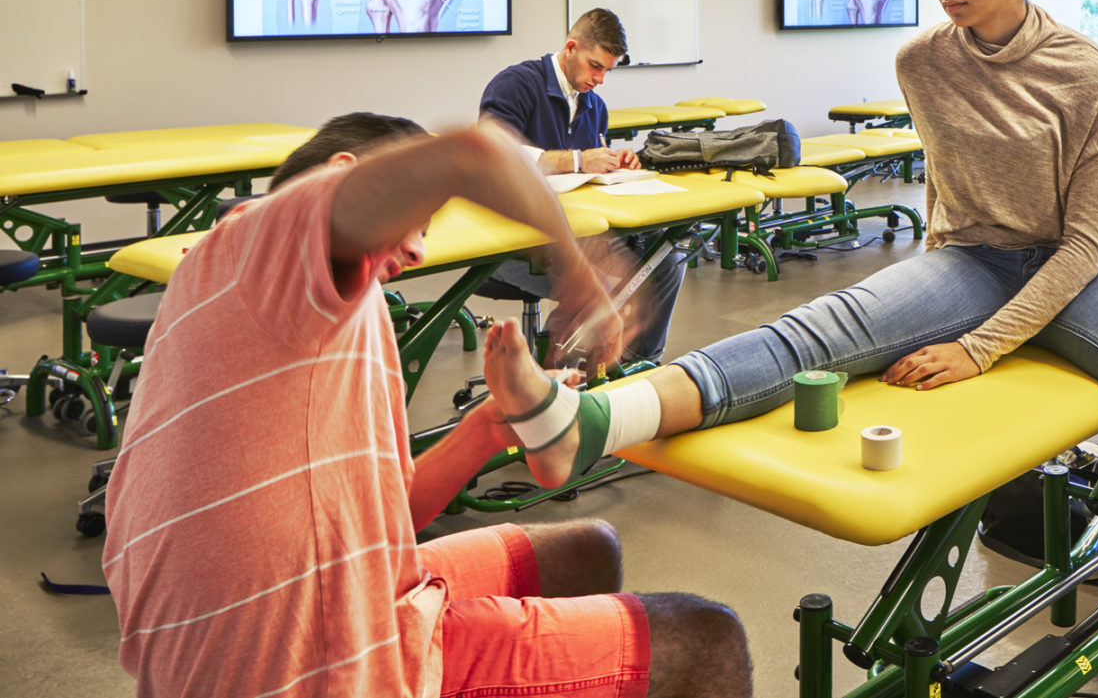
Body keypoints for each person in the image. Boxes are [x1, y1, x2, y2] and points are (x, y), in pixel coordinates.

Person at [541, 0, 1098, 698]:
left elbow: (1081, 239)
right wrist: (923, 298)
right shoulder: (922, 60)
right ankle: (593, 416)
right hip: (967, 259)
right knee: (816, 330)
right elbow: (950, 183)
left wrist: (979, 348)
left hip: (1084, 268)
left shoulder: (1089, 73)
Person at [103, 113, 750, 698]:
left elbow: (385, 521)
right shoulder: (258, 247)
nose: (417, 251)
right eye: (414, 225)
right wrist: (581, 269)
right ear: (338, 178)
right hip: (305, 667)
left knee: (589, 547)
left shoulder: (313, 312)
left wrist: (480, 433)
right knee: (706, 638)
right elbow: (469, 153)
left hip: (335, 597)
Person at [479, 8, 682, 367]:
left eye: (607, 70)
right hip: (516, 240)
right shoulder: (515, 85)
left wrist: (617, 164)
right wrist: (577, 160)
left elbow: (589, 168)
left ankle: (638, 367)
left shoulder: (594, 106)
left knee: (666, 259)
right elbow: (496, 159)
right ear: (570, 48)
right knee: (599, 284)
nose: (600, 79)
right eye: (595, 66)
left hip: (580, 230)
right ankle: (556, 383)